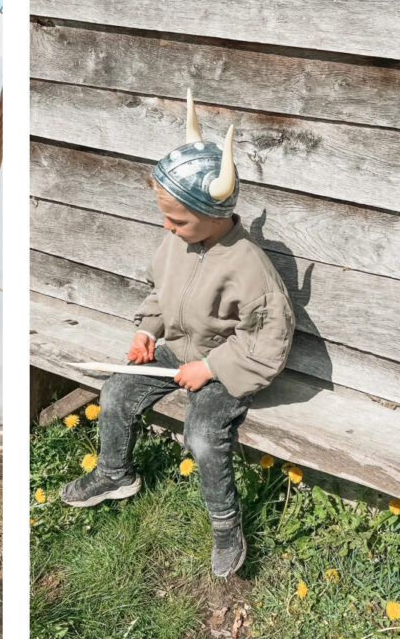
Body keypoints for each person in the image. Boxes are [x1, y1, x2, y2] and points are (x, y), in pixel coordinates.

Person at [59, 91, 295, 578]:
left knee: (203, 435)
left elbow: (269, 339)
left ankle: (226, 525)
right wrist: (148, 332)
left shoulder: (250, 267)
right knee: (117, 390)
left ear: (215, 214)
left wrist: (209, 368)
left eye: (177, 219)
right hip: (178, 351)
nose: (166, 226)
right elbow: (159, 292)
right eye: (165, 216)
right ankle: (114, 474)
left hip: (227, 368)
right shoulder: (176, 242)